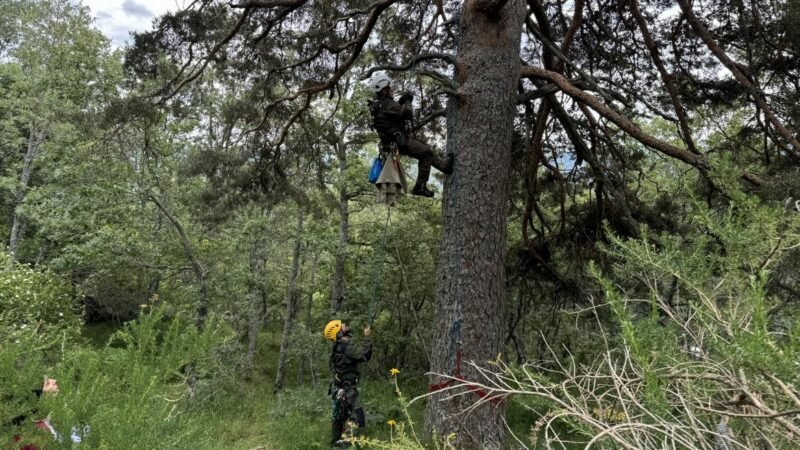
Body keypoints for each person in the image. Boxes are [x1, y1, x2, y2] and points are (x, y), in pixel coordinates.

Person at [369, 73, 453, 197]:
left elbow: (393, 115)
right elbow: (407, 113)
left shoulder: (379, 105)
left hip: (394, 142)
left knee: (425, 151)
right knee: (426, 153)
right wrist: (408, 101)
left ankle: (444, 167)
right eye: (389, 88)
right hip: (400, 141)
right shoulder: (387, 104)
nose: (391, 90)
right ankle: (420, 186)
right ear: (384, 89)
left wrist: (401, 101)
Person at [324, 320, 372, 448]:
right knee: (357, 416)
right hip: (347, 389)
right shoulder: (346, 348)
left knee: (338, 416)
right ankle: (347, 444)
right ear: (339, 332)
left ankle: (336, 443)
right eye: (342, 325)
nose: (345, 325)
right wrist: (367, 337)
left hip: (339, 388)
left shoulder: (338, 346)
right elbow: (365, 356)